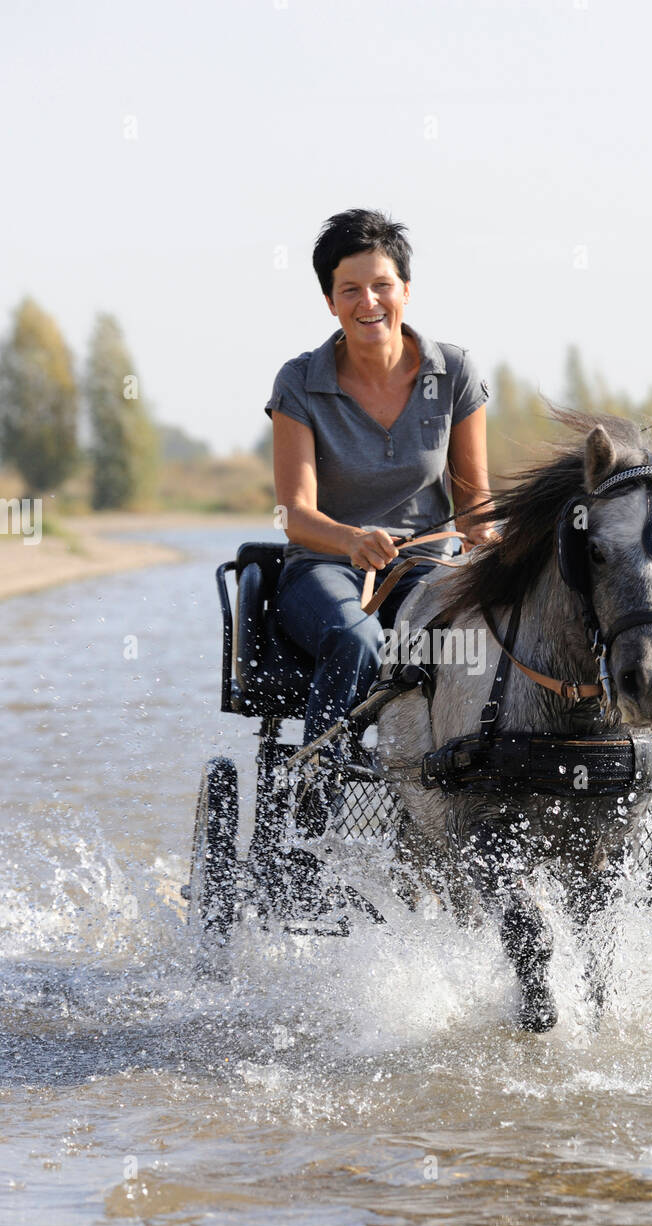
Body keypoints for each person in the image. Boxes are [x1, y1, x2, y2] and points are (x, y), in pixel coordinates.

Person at [264, 208, 495, 866]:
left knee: (463, 643)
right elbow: (293, 514)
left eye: (382, 285)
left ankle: (458, 805)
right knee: (357, 639)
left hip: (425, 569)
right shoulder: (299, 382)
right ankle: (307, 831)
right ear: (330, 301)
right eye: (350, 290)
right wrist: (350, 540)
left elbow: (473, 504)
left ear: (406, 289)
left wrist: (496, 540)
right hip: (323, 568)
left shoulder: (453, 372)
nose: (369, 302)